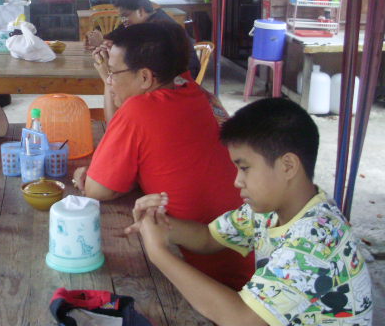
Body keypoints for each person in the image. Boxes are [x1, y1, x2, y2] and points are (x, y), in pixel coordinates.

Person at [126, 98, 373, 325]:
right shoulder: (269, 211)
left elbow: (243, 320)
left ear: (288, 166)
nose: (237, 181)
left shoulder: (317, 239)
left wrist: (158, 253)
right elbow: (208, 238)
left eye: (245, 168)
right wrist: (161, 225)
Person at [73, 22, 255, 290]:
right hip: (246, 264)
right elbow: (122, 133)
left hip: (205, 277)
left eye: (113, 73)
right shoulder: (197, 92)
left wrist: (90, 176)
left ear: (145, 77)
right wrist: (110, 79)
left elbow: (97, 190)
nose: (109, 80)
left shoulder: (140, 110)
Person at [86, 0, 201, 79]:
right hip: (161, 72)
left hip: (180, 77)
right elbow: (114, 36)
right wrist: (99, 39)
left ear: (140, 11)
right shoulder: (137, 23)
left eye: (126, 15)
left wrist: (102, 42)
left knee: (120, 79)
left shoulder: (158, 26)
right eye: (121, 17)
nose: (124, 20)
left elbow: (139, 56)